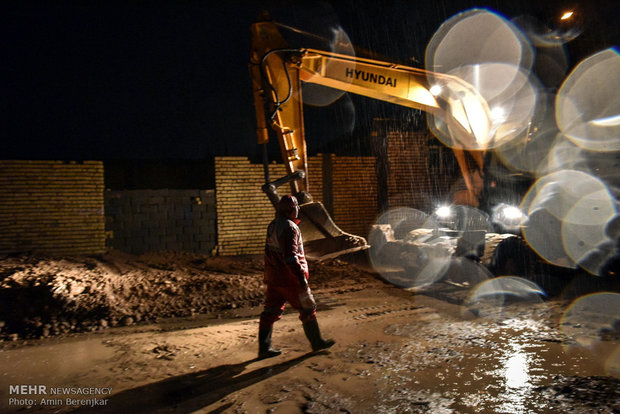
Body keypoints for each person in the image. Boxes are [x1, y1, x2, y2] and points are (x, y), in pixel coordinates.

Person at [258, 194, 335, 359]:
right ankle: (317, 343)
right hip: (290, 279)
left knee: (270, 311)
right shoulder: (290, 228)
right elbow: (291, 257)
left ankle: (264, 348)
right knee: (308, 309)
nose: (298, 209)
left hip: (274, 278)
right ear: (291, 209)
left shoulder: (273, 225)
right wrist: (301, 278)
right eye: (296, 207)